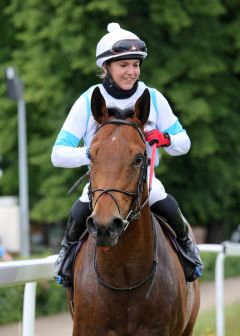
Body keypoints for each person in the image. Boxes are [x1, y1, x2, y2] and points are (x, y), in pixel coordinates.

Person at [51, 22, 203, 285]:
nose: (131, 71)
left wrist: (166, 139)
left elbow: (185, 142)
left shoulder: (153, 98)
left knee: (165, 201)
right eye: (124, 65)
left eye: (135, 64)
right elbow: (57, 154)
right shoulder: (88, 100)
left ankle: (188, 250)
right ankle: (65, 258)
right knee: (79, 212)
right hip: (101, 182)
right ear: (106, 68)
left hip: (142, 180)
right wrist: (95, 154)